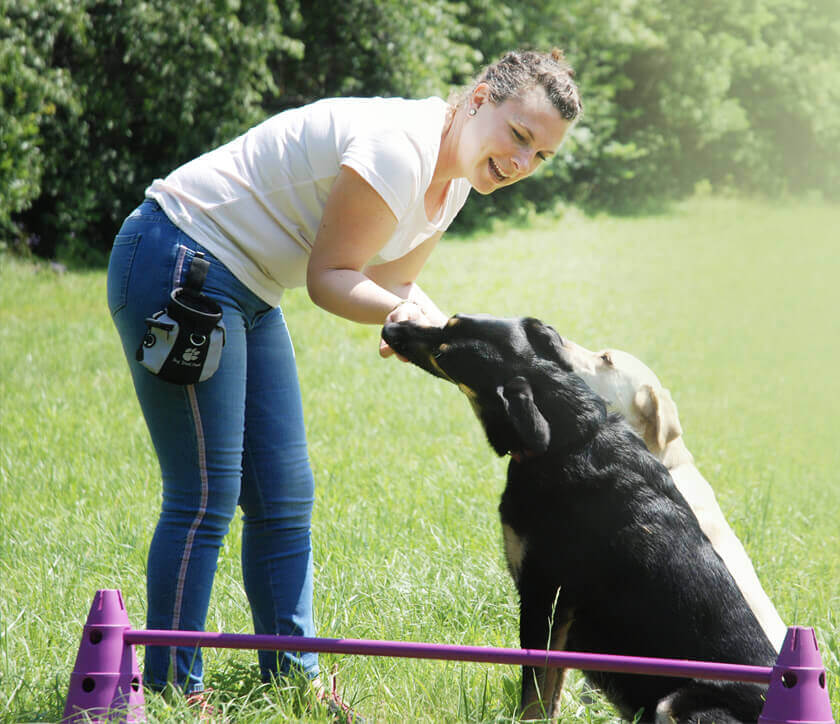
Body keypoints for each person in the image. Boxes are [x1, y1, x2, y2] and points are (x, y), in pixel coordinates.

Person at [105, 48, 582, 715]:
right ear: (478, 99)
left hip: (246, 286)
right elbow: (330, 278)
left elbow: (393, 285)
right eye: (519, 137)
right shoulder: (399, 149)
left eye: (540, 156)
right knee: (206, 492)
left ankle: (290, 681)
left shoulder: (452, 184)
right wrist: (402, 316)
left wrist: (427, 329)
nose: (521, 163)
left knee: (284, 491)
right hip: (178, 256)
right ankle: (171, 691)